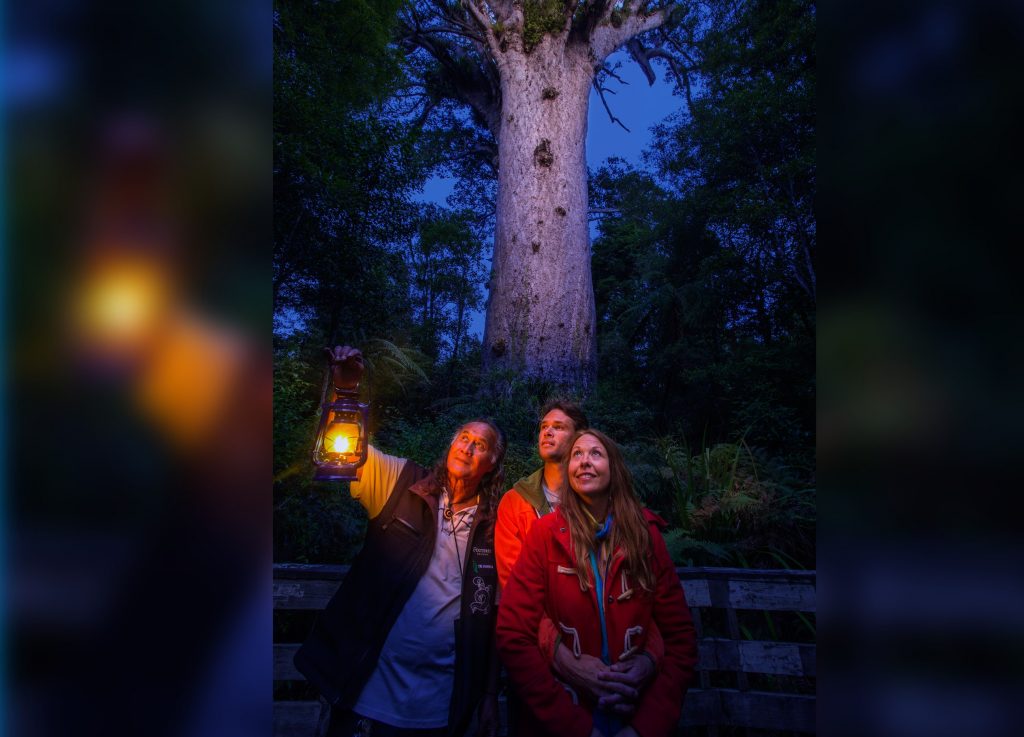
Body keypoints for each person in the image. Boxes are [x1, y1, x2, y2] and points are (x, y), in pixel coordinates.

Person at [295, 346, 505, 737]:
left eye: (480, 444)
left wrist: (490, 694)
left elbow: (494, 616)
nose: (467, 446)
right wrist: (345, 392)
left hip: (439, 704)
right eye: (463, 437)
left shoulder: (495, 526)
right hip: (365, 691)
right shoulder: (402, 482)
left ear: (492, 462)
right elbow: (340, 453)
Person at [497, 429, 698, 737]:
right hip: (568, 715)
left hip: (635, 712)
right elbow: (513, 633)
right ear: (568, 472)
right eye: (576, 455)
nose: (584, 462)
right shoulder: (545, 534)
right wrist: (575, 727)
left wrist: (643, 728)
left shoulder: (646, 535)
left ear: (613, 468)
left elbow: (680, 638)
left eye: (596, 454)